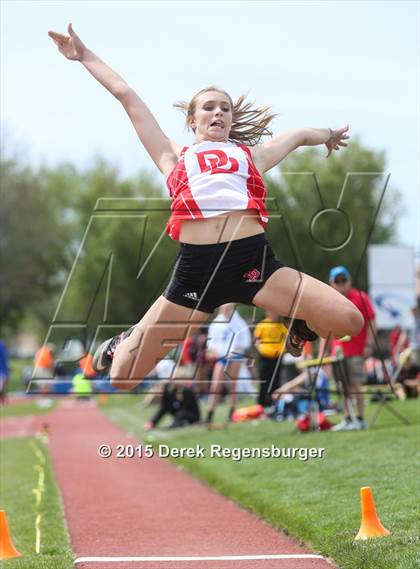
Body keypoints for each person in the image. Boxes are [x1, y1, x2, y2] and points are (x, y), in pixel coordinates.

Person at [48, 24, 364, 392]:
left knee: (349, 319)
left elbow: (295, 137)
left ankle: (302, 324)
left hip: (253, 263)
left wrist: (328, 135)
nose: (219, 113)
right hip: (196, 275)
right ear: (192, 119)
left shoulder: (250, 156)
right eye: (209, 107)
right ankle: (123, 341)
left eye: (225, 108)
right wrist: (84, 55)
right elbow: (127, 96)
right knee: (121, 379)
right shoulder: (174, 156)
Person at [320, 266, 376, 430]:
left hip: (357, 351)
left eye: (343, 280)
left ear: (349, 280)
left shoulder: (360, 297)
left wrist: (369, 344)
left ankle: (359, 418)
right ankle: (347, 419)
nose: (341, 284)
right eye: (337, 281)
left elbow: (372, 321)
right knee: (342, 387)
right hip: (338, 352)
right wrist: (324, 353)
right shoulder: (329, 300)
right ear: (331, 283)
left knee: (355, 385)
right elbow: (325, 328)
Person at [205, 303, 252, 424]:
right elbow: (211, 341)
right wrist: (213, 350)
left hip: (235, 356)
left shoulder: (238, 321)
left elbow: (246, 339)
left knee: (232, 385)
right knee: (216, 385)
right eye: (224, 308)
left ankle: (231, 412)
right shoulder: (216, 323)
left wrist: (238, 348)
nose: (226, 311)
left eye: (229, 308)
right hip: (222, 356)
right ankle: (210, 414)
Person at [254, 311, 287, 408]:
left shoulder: (282, 325)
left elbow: (286, 339)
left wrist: (284, 349)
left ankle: (274, 404)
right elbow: (256, 339)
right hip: (265, 356)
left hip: (277, 356)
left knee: (276, 380)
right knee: (264, 380)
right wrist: (260, 348)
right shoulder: (263, 324)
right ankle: (261, 404)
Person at [0, 340, 10, 405]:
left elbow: (5, 359)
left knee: (1, 387)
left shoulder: (1, 345)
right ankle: (3, 402)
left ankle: (3, 402)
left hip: (2, 371)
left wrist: (6, 372)